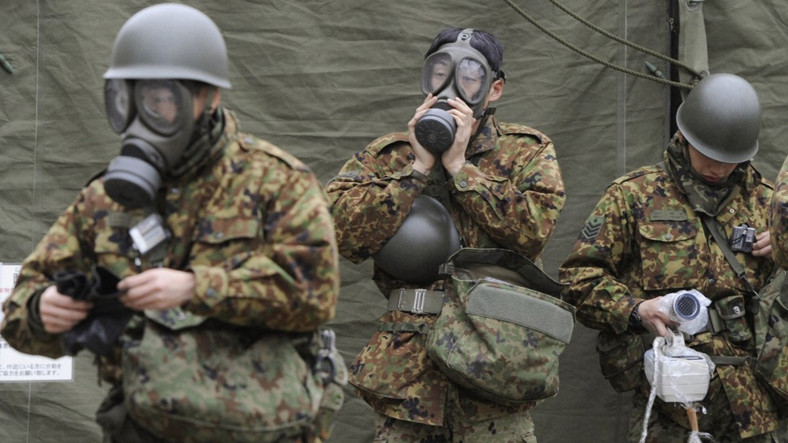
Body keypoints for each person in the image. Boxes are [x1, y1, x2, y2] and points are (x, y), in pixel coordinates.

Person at [1, 3, 340, 442]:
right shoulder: (104, 198)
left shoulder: (275, 182)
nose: (146, 114)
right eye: (131, 98)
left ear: (209, 98)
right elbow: (18, 312)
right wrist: (40, 309)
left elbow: (314, 294)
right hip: (142, 425)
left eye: (162, 98)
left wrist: (196, 287)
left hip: (263, 427)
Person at [325, 27, 566, 442]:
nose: (451, 86)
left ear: (494, 89)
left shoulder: (527, 152)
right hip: (408, 378)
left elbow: (533, 231)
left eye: (469, 77)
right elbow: (339, 234)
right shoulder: (389, 155)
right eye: (440, 72)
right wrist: (415, 172)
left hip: (495, 373)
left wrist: (460, 168)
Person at [559, 73, 787, 442]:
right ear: (685, 137)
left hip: (755, 406)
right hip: (670, 407)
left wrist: (784, 249)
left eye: (728, 160)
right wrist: (636, 309)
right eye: (708, 154)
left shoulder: (768, 203)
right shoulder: (633, 196)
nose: (718, 167)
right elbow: (577, 279)